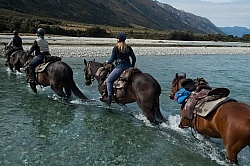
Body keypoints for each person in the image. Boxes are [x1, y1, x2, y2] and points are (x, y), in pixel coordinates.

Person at [101, 32, 136, 105]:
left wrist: (107, 62)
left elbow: (111, 60)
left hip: (120, 68)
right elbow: (134, 58)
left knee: (109, 80)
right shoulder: (128, 48)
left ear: (117, 40)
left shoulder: (116, 48)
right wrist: (132, 66)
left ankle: (109, 97)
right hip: (128, 67)